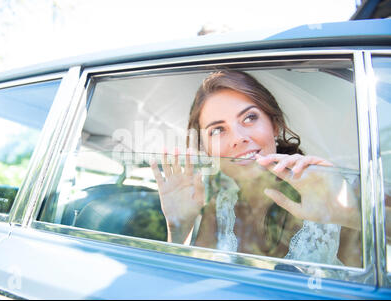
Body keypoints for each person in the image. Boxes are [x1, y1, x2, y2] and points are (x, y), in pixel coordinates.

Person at [150, 70, 362, 266]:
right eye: (217, 130)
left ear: (275, 124)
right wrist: (179, 228)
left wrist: (351, 216)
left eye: (250, 118)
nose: (239, 138)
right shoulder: (220, 207)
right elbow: (189, 287)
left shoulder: (336, 189)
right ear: (205, 149)